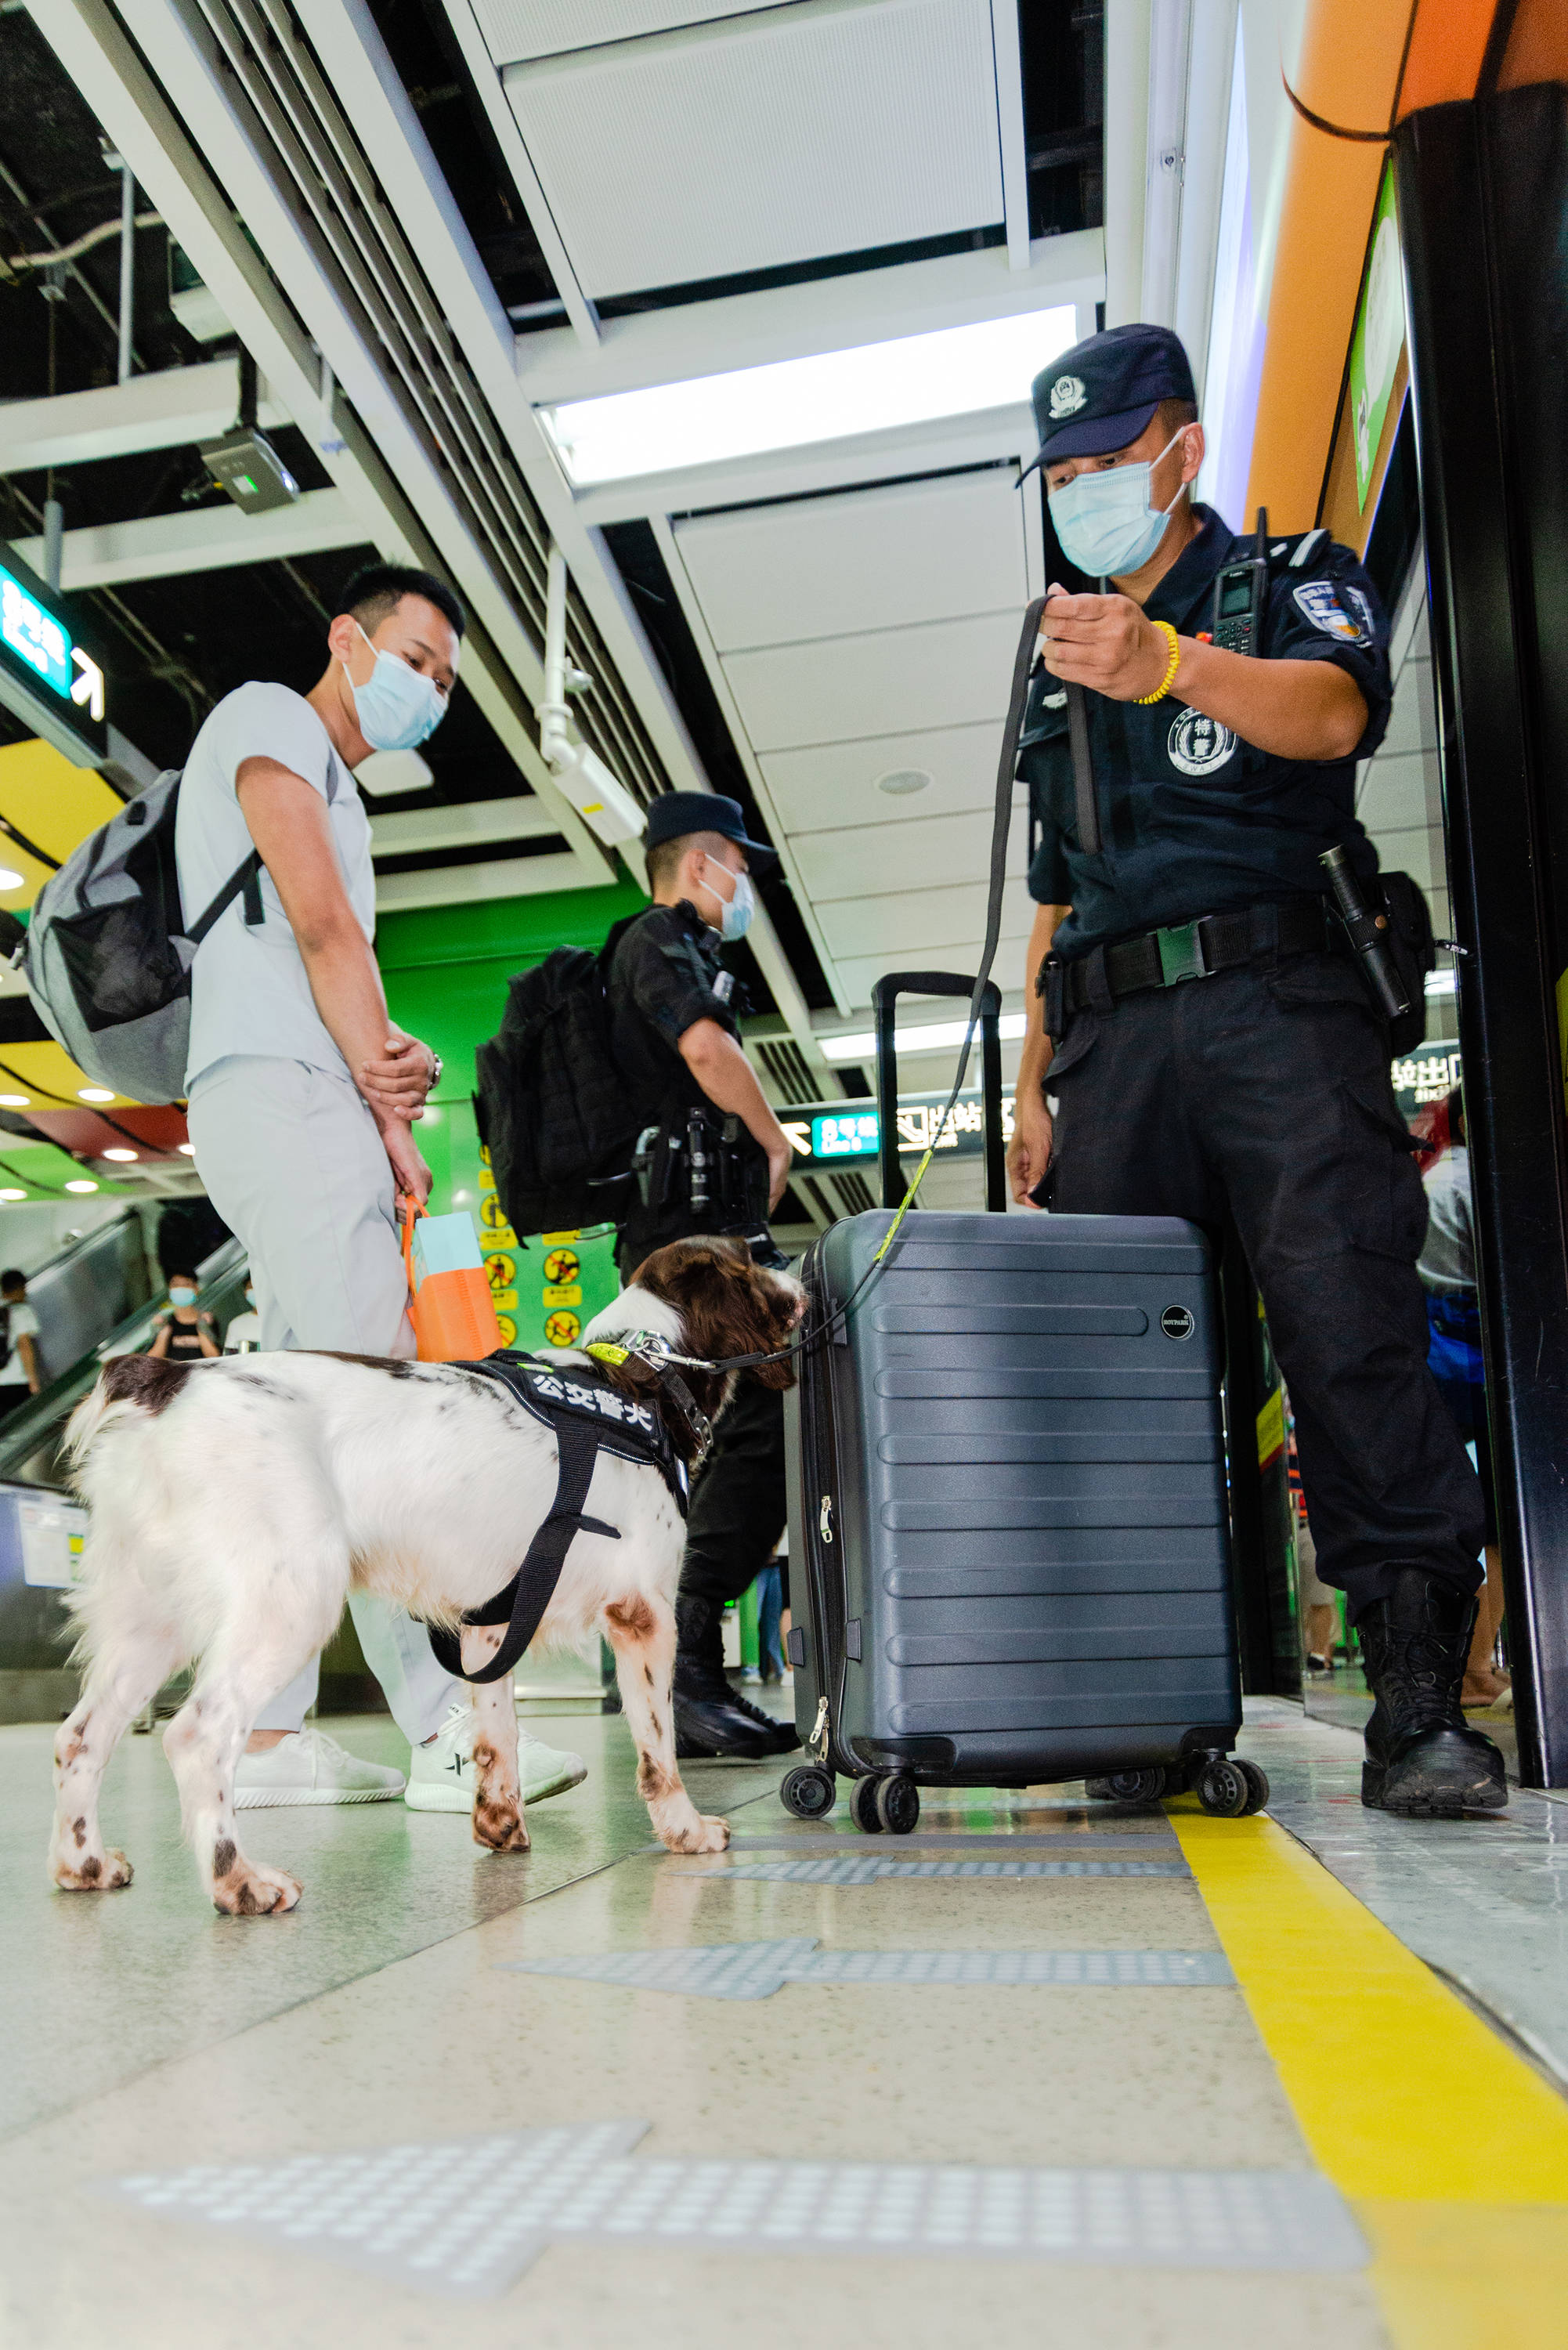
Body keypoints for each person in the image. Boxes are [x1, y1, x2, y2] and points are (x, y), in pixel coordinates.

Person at [1005, 323, 1505, 1818]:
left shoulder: (1287, 583)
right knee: (1127, 1382)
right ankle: (1151, 1704)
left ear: (1181, 449)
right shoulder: (1059, 659)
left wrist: (1174, 664)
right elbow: (1054, 884)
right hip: (1112, 1042)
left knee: (1347, 1330)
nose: (1086, 489)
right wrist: (1033, 1081)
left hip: (1276, 1008)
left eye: (1109, 460)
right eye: (1065, 472)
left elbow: (1335, 714)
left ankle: (1417, 1699)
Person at [177, 560, 584, 1815]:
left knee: (302, 1433)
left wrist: (389, 1107)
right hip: (279, 1096)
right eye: (413, 658)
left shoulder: (343, 789)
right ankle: (446, 1731)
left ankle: (262, 1730)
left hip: (307, 1101)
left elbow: (324, 960)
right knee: (384, 1419)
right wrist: (370, 1064)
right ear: (345, 639)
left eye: (445, 681)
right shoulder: (270, 718)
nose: (429, 688)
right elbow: (315, 930)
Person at [603, 790, 800, 1760]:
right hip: (686, 1249)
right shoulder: (656, 939)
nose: (747, 885)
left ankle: (677, 1669)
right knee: (740, 1426)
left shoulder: (677, 947)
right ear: (700, 864)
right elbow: (704, 1045)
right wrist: (771, 1138)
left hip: (688, 1239)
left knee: (702, 1445)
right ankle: (682, 1672)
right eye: (740, 864)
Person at [1418, 1088, 1509, 1710]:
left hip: (1432, 1362)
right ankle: (1474, 1669)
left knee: (1449, 1521)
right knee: (1502, 1527)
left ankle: (1463, 1667)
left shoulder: (1430, 1175)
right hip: (1479, 1362)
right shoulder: (1477, 1182)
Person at [148, 1270, 219, 1362]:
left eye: (186, 1284)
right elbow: (152, 1360)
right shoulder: (164, 1322)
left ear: (196, 1289)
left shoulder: (207, 1321)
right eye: (176, 1285)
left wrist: (203, 1329)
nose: (180, 1288)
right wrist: (163, 1334)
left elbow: (214, 1357)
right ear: (170, 1290)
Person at [0, 1267, 42, 1424]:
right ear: (20, 1287)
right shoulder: (21, 1311)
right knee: (24, 1424)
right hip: (17, 1381)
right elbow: (24, 1345)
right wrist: (33, 1381)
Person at [222, 1273, 262, 1354]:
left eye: (261, 1285)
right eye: (252, 1286)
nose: (257, 1290)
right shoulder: (236, 1324)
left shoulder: (287, 1323)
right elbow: (230, 1360)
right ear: (245, 1292)